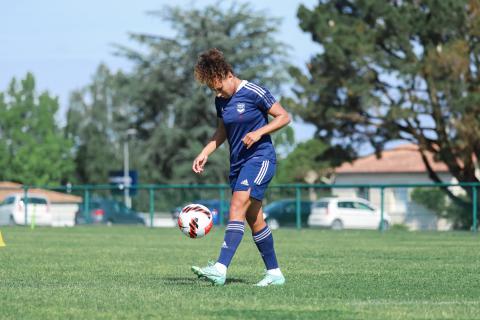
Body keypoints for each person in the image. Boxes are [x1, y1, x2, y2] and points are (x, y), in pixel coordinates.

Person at [191, 48, 291, 286]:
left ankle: (220, 267)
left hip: (260, 158)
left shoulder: (254, 92)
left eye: (218, 86)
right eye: (212, 89)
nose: (217, 92)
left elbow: (284, 117)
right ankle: (275, 274)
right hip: (237, 165)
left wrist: (259, 133)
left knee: (237, 204)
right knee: (255, 219)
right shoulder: (221, 100)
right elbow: (222, 131)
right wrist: (205, 152)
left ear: (228, 74)